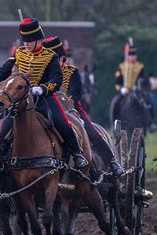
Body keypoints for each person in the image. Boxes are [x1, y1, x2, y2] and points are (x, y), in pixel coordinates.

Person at [0, 18, 88, 169]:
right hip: (19, 99)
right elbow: (2, 71)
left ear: (38, 39)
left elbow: (57, 80)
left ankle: (77, 153)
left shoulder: (50, 56)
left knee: (63, 123)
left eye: (29, 40)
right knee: (2, 133)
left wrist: (42, 88)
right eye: (24, 39)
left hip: (43, 98)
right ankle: (4, 164)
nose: (26, 43)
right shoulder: (19, 53)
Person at [43, 36, 124, 176]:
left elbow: (75, 94)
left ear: (62, 59)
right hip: (49, 110)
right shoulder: (42, 74)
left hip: (72, 110)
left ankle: (112, 161)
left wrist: (64, 101)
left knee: (92, 133)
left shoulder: (72, 72)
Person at [110, 40, 147, 124]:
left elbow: (142, 79)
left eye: (134, 55)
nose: (132, 57)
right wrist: (121, 88)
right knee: (115, 102)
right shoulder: (122, 66)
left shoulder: (140, 66)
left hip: (136, 91)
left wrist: (137, 86)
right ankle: (114, 123)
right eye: (131, 55)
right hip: (124, 91)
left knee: (147, 103)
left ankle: (150, 123)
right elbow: (118, 81)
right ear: (128, 56)